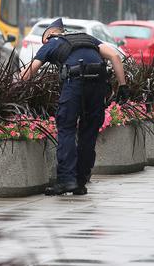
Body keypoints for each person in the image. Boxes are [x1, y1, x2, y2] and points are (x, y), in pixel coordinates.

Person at [20, 18, 129, 195]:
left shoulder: (51, 43)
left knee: (67, 128)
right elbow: (115, 56)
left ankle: (66, 180)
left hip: (75, 82)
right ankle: (80, 181)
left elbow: (28, 73)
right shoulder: (87, 38)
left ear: (49, 34)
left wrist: (16, 85)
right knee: (89, 130)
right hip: (98, 84)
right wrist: (123, 86)